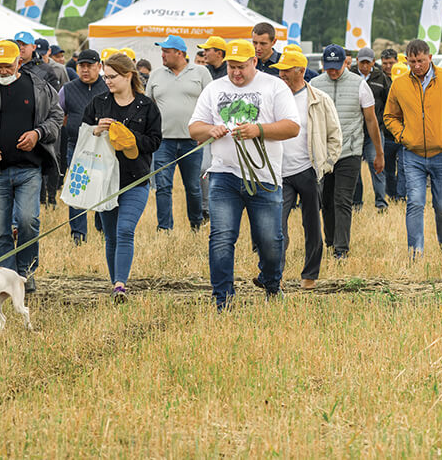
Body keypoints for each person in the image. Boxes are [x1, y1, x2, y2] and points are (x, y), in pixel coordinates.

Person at [188, 39, 300, 309]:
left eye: (241, 67)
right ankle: (222, 299)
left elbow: (292, 127)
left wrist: (258, 130)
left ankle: (271, 282)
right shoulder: (215, 88)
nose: (236, 72)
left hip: (264, 177)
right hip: (223, 175)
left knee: (270, 240)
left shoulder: (274, 86)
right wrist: (210, 130)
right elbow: (194, 128)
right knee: (222, 237)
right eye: (231, 67)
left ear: (254, 62)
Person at [0, 40, 63, 293]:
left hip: (29, 168)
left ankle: (25, 273)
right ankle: (7, 281)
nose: (3, 71)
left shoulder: (39, 86)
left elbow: (56, 116)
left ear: (19, 62)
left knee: (28, 221)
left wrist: (38, 133)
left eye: (8, 65)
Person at [82, 52, 162, 301]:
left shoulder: (147, 106)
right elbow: (81, 133)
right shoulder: (98, 103)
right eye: (105, 77)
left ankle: (120, 285)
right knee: (111, 235)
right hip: (105, 180)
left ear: (128, 76)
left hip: (135, 179)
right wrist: (96, 130)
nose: (107, 81)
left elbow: (155, 142)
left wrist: (130, 137)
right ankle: (114, 282)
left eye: (112, 77)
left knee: (125, 230)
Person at [383, 39, 442, 255]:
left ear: (430, 58)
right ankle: (415, 252)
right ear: (406, 60)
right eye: (412, 61)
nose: (417, 65)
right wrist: (403, 135)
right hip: (412, 154)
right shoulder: (399, 84)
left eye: (421, 60)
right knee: (414, 202)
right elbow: (390, 116)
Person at [271, 48, 342, 289]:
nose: (281, 74)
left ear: (300, 71)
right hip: (279, 172)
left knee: (312, 226)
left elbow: (335, 135)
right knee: (276, 227)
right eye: (280, 70)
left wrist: (326, 165)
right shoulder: (274, 98)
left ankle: (310, 275)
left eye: (286, 70)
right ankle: (275, 275)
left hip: (308, 170)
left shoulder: (319, 99)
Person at [309, 44, 383, 259]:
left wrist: (379, 153)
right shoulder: (315, 84)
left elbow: (371, 120)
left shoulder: (359, 84)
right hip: (323, 153)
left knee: (342, 200)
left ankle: (341, 249)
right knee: (326, 200)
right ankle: (330, 241)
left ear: (346, 63)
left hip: (350, 151)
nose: (332, 71)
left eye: (336, 67)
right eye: (328, 67)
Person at [145, 35, 212, 232]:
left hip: (193, 141)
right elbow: (148, 106)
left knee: (193, 187)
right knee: (163, 187)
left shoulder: (200, 72)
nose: (162, 55)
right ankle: (164, 228)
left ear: (180, 53)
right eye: (162, 51)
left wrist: (206, 131)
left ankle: (196, 224)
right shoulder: (156, 75)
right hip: (163, 141)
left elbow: (212, 103)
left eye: (166, 51)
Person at [57, 48, 108, 243]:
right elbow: (58, 114)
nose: (85, 70)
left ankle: (103, 227)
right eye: (81, 66)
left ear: (99, 66)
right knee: (77, 188)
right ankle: (78, 233)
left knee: (102, 185)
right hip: (77, 146)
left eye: (89, 66)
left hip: (103, 147)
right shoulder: (68, 89)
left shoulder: (108, 86)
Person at [351, 46, 389, 212]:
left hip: (374, 130)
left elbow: (388, 102)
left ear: (373, 62)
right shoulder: (350, 76)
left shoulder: (381, 78)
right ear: (357, 61)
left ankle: (381, 203)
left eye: (368, 62)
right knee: (354, 168)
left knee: (377, 165)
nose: (365, 66)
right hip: (354, 131)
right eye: (362, 62)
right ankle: (356, 203)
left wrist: (382, 122)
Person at [384, 60, 410, 201]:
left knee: (403, 168)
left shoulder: (413, 92)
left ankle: (401, 196)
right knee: (388, 170)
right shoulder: (386, 91)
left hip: (405, 137)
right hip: (388, 136)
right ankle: (392, 194)